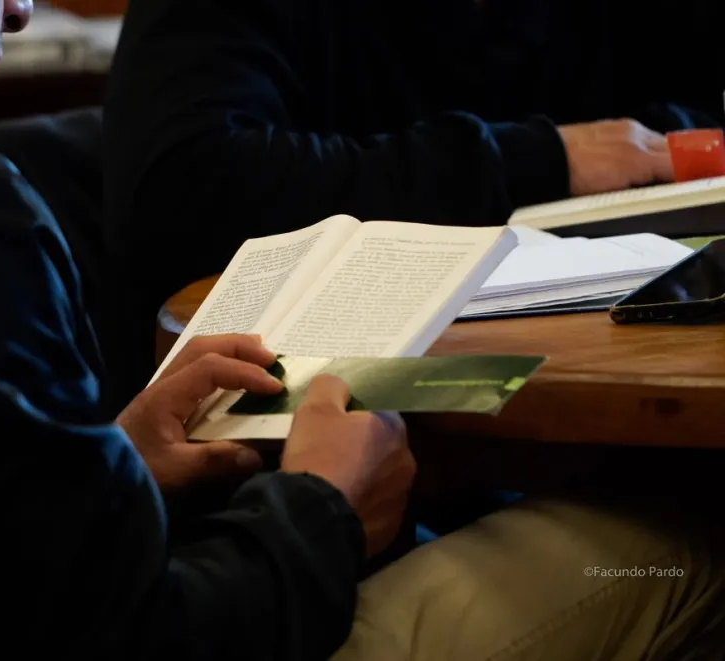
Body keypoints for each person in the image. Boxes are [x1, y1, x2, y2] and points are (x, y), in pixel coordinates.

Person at [0, 1, 724, 660]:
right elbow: (140, 640)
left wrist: (102, 460)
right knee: (676, 533)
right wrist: (323, 506)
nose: (26, 8)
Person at [100, 0, 725, 402]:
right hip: (298, 442)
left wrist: (656, 147)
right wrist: (543, 160)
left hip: (608, 381)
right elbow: (181, 185)